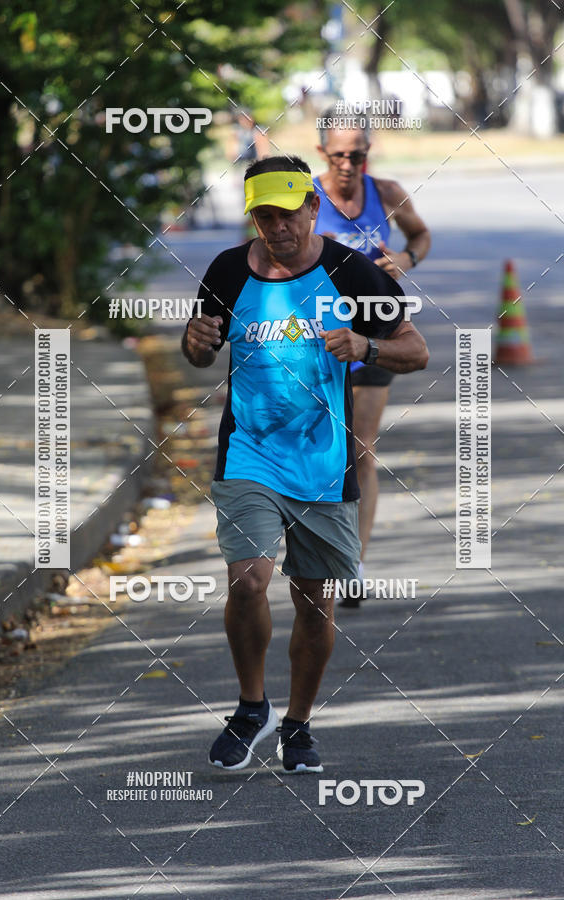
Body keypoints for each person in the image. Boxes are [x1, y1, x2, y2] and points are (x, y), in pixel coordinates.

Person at [182, 155, 429, 772]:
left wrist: (366, 345)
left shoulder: (351, 273)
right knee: (248, 580)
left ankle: (297, 723)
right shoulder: (227, 270)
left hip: (323, 461)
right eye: (264, 216)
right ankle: (251, 707)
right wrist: (195, 344)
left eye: (287, 214)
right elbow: (201, 349)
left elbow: (415, 350)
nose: (277, 228)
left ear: (313, 207)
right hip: (250, 452)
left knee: (314, 601)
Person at [313, 109, 431, 606]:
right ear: (322, 152)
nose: (347, 164)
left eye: (356, 155)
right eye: (338, 155)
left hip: (375, 330)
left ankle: (353, 565)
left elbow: (420, 235)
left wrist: (405, 258)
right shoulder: (304, 197)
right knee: (322, 447)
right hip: (317, 337)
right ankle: (314, 547)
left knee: (361, 449)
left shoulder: (385, 192)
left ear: (368, 152)